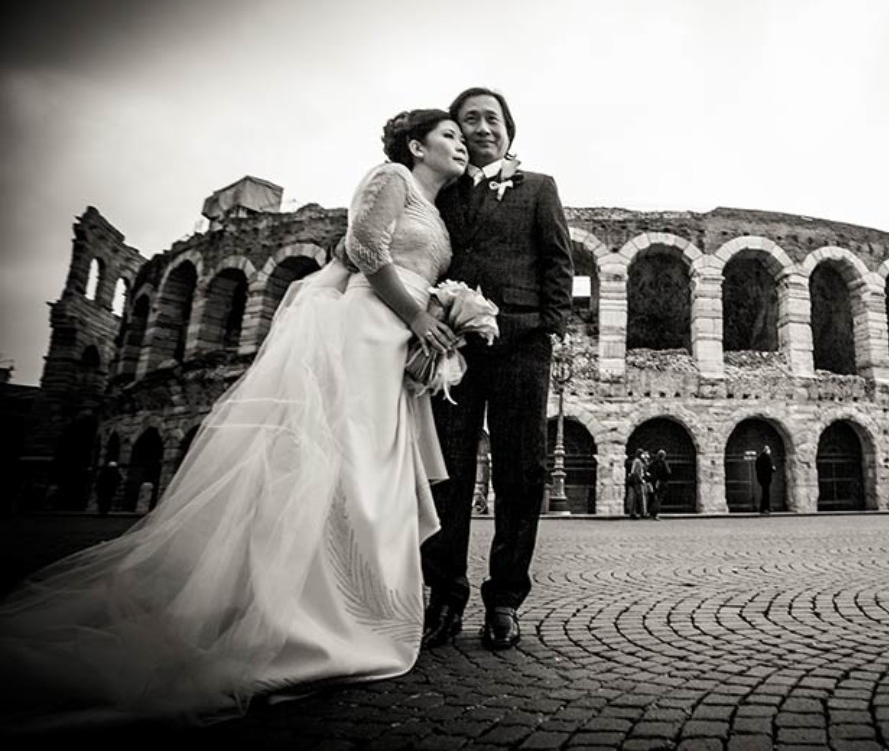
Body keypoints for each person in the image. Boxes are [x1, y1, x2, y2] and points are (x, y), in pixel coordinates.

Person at [0, 109, 468, 728]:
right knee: (344, 466)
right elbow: (361, 248)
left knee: (373, 478)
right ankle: (301, 616)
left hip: (395, 346)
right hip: (364, 332)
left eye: (464, 138)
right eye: (450, 134)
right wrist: (419, 318)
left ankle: (351, 610)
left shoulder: (438, 213)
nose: (462, 142)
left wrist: (436, 329)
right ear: (416, 145)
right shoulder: (389, 179)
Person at [420, 87, 573, 652]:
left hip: (521, 346)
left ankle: (504, 600)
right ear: (455, 133)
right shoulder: (441, 190)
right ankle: (443, 597)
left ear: (510, 129)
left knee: (521, 473)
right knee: (447, 474)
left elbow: (559, 259)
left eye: (493, 118)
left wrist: (546, 325)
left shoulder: (538, 187)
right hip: (452, 349)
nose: (483, 128)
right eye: (468, 120)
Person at [646, 449, 671, 519]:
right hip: (661, 482)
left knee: (653, 498)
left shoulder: (653, 463)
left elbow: (648, 471)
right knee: (658, 499)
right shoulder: (663, 463)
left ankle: (651, 512)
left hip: (653, 482)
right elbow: (668, 472)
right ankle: (655, 513)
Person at [625, 450, 649, 520]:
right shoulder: (638, 461)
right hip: (637, 481)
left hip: (636, 481)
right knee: (640, 497)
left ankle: (635, 512)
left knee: (635, 497)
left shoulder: (638, 461)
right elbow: (637, 472)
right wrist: (641, 480)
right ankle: (641, 512)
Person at [755, 444, 774, 515]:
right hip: (766, 478)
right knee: (766, 494)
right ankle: (765, 508)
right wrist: (773, 469)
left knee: (765, 493)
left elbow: (758, 468)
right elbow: (769, 467)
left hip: (761, 478)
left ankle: (765, 507)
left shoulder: (759, 458)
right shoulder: (767, 458)